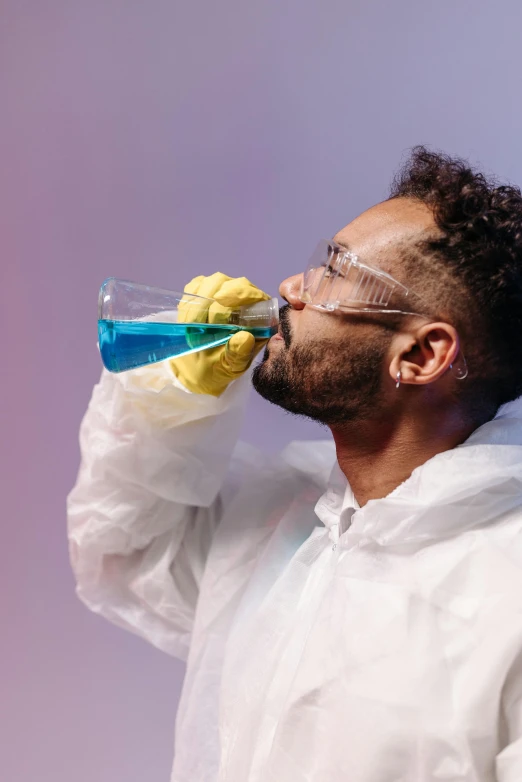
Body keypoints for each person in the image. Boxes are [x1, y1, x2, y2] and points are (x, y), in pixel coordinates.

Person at [67, 147, 522, 782]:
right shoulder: (295, 523)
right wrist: (171, 401)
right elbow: (124, 552)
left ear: (420, 355)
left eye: (335, 269)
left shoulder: (505, 592)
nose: (290, 288)